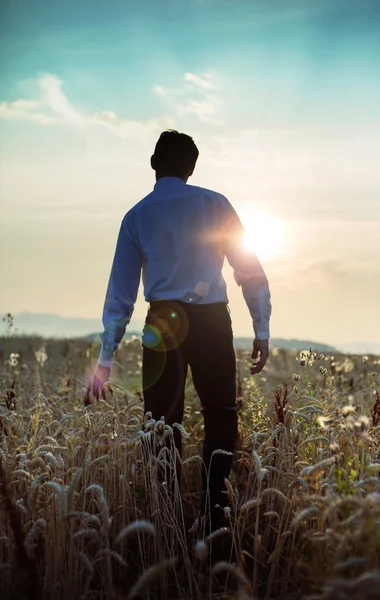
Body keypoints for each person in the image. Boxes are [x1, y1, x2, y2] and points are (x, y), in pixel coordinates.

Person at [92, 129, 271, 531]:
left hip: (162, 322)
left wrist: (106, 358)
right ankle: (216, 513)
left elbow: (120, 296)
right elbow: (249, 271)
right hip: (212, 320)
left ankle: (167, 519)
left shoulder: (136, 216)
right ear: (192, 168)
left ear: (154, 164)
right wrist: (261, 326)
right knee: (221, 415)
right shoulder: (216, 203)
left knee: (160, 420)